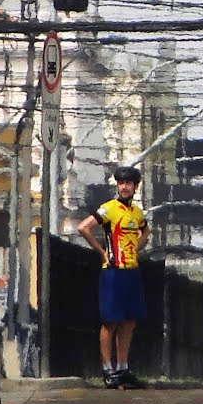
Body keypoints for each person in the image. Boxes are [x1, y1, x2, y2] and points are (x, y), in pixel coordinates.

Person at [77, 165, 150, 389]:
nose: (124, 187)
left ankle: (123, 367)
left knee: (129, 321)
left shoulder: (137, 213)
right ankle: (108, 369)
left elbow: (146, 231)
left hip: (131, 269)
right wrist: (102, 252)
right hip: (113, 270)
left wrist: (136, 247)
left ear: (135, 186)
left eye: (128, 183)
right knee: (111, 321)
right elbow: (84, 227)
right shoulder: (109, 209)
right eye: (121, 183)